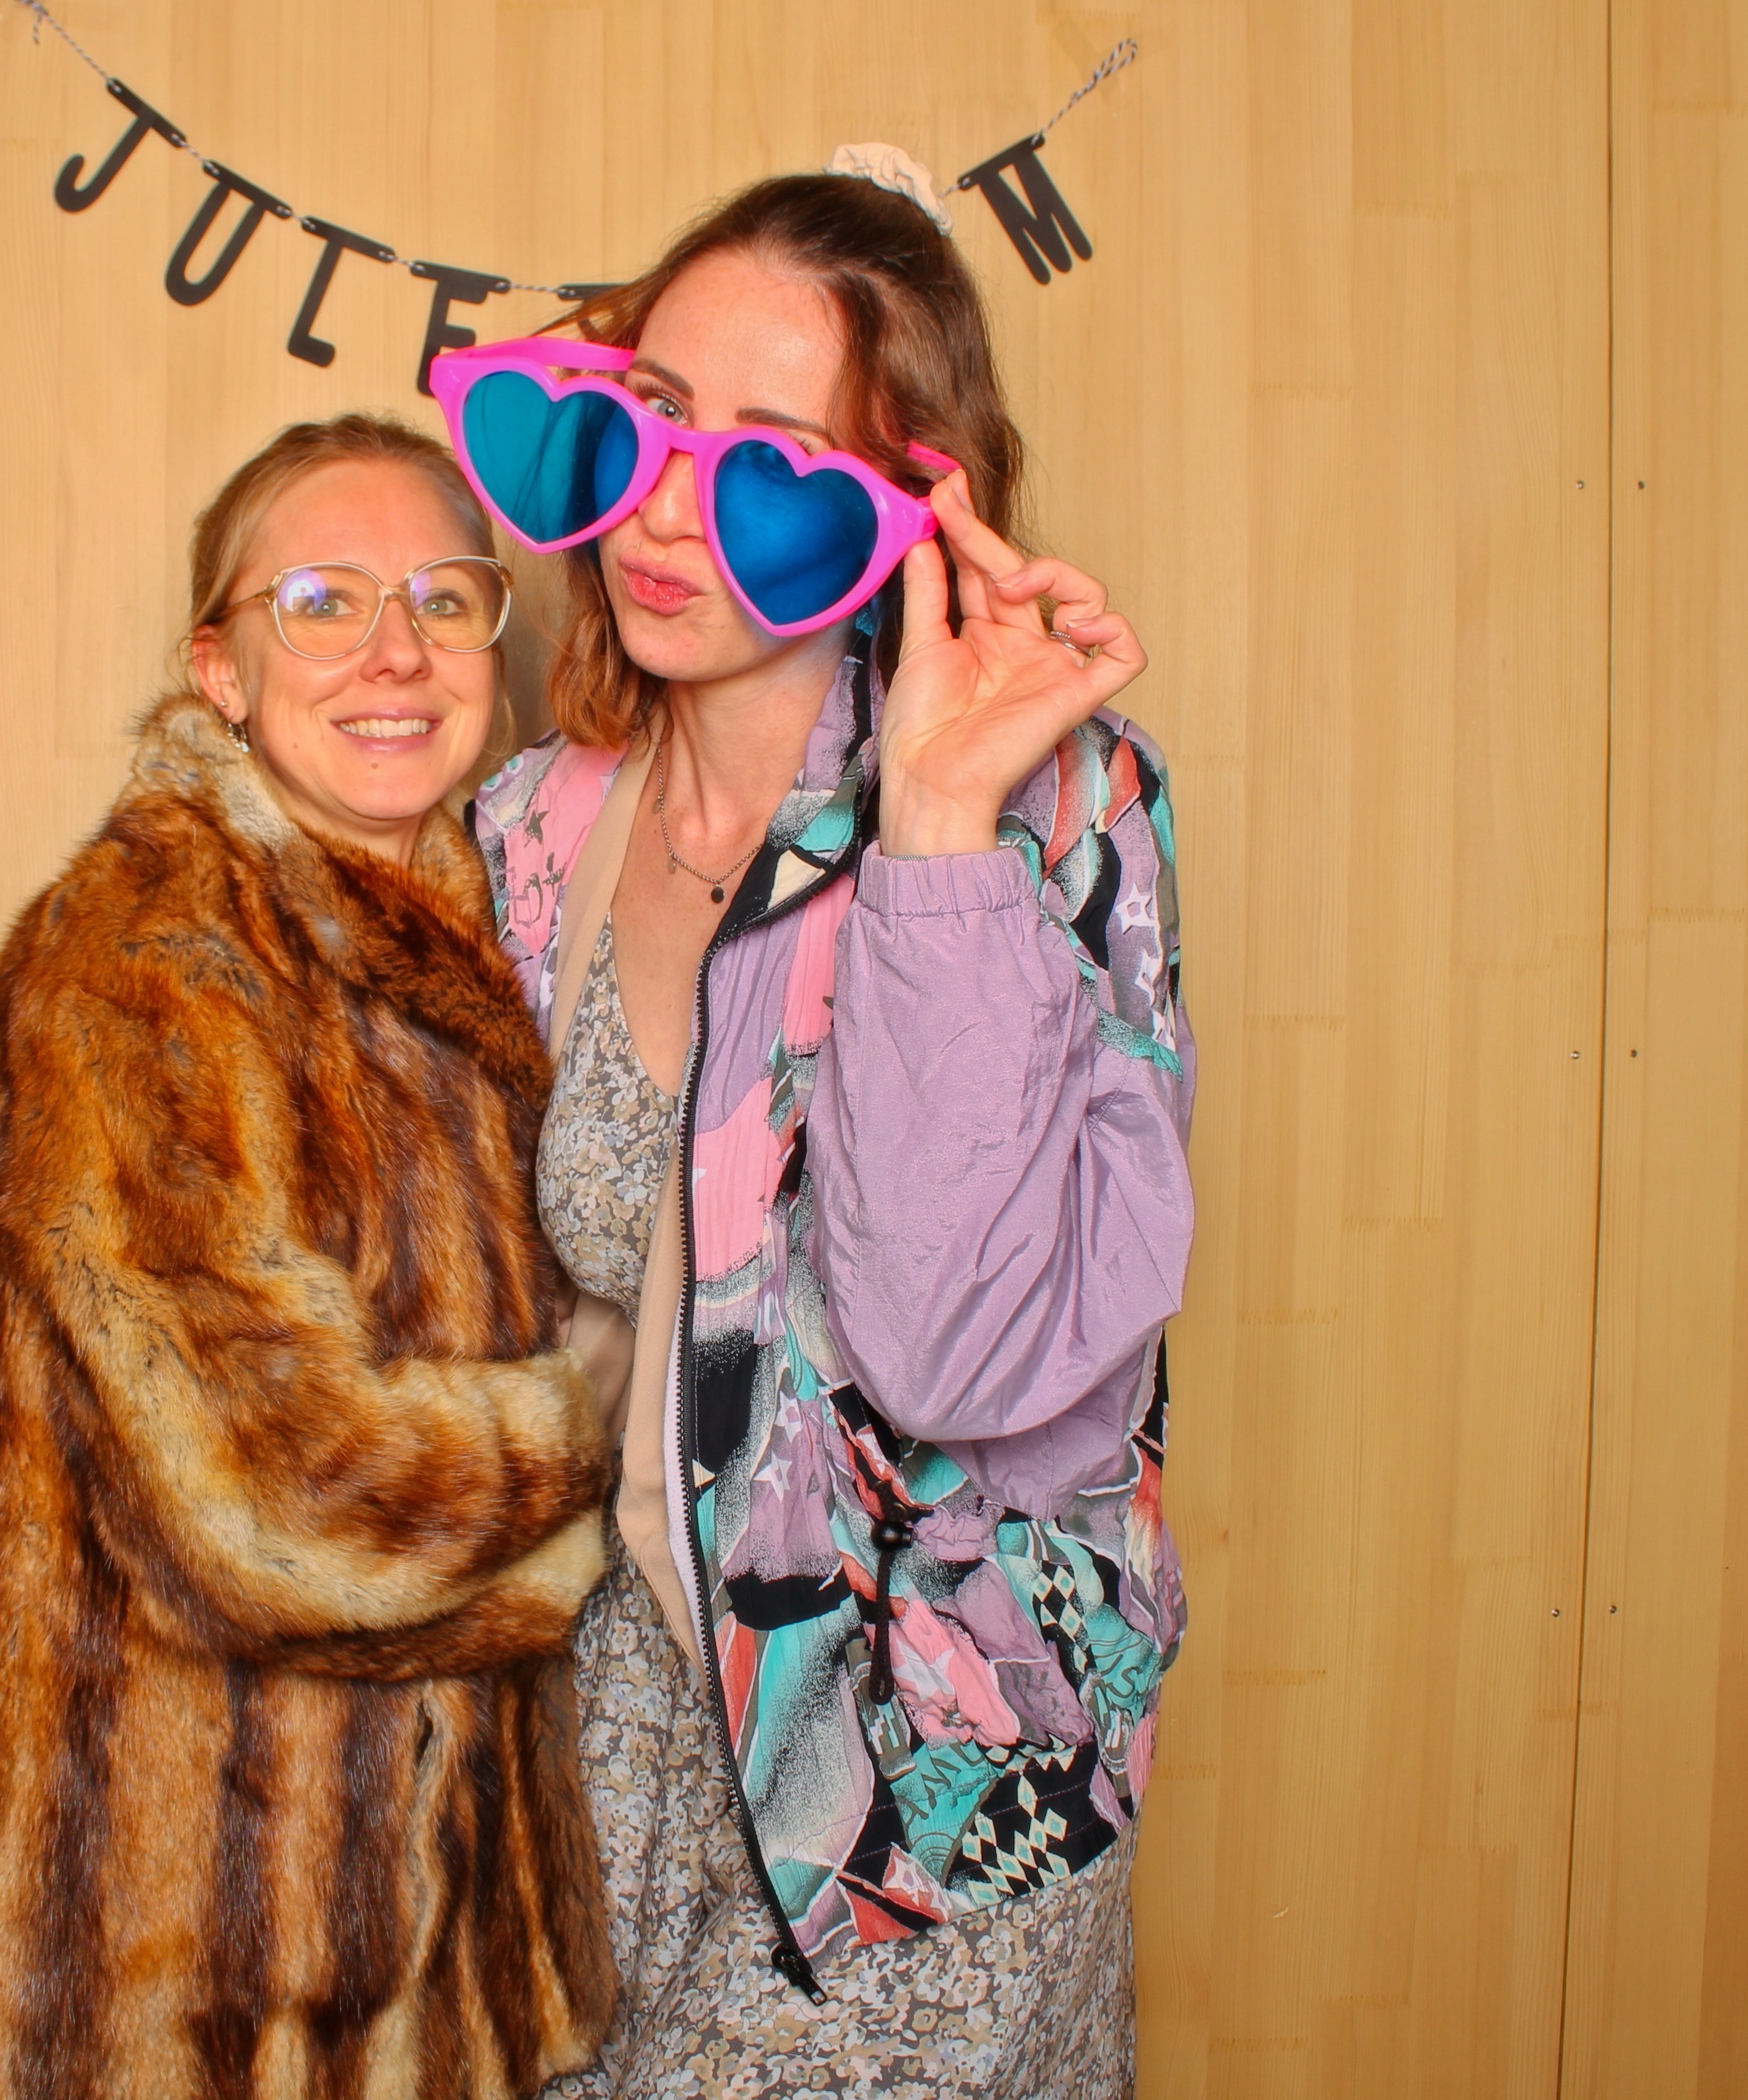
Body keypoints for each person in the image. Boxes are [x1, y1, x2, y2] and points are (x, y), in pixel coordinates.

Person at [444, 163, 1195, 2096]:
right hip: (604, 1758)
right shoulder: (532, 830)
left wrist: (935, 833)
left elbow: (960, 1354)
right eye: (651, 421)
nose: (667, 512)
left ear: (911, 508)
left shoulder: (1065, 807)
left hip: (924, 1805)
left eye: (767, 468)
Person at [0, 414, 621, 2100]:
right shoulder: (150, 957)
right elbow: (281, 1498)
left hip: (402, 1915)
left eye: (443, 597)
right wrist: (601, 1426)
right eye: (322, 602)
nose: (395, 651)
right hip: (174, 1946)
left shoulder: (481, 917)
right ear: (223, 670)